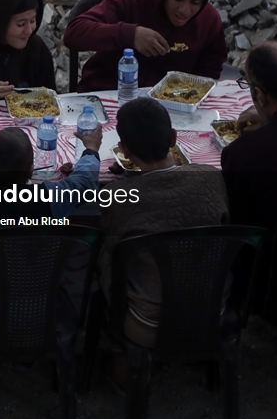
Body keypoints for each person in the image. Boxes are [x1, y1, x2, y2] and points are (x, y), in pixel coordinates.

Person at [0, 124, 103, 334]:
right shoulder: (51, 198)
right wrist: (91, 150)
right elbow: (84, 181)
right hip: (42, 306)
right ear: (30, 169)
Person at [98, 98, 229, 349]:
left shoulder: (116, 197)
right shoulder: (212, 177)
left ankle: (118, 359)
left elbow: (112, 251)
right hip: (213, 312)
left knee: (99, 253)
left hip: (147, 325)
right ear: (173, 139)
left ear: (124, 151)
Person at [63, 0, 227, 92]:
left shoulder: (208, 20)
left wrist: (189, 92)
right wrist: (130, 35)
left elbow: (211, 68)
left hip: (171, 102)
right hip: (109, 93)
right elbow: (74, 33)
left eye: (195, 2)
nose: (184, 10)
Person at [222, 41, 277, 320]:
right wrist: (272, 120)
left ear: (259, 95)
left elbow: (236, 226)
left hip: (274, 283)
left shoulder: (244, 154)